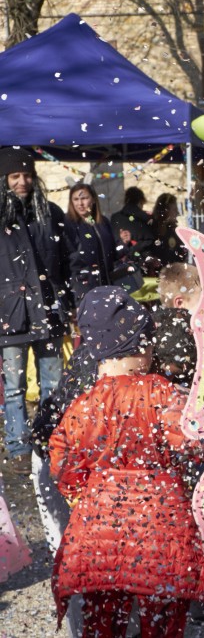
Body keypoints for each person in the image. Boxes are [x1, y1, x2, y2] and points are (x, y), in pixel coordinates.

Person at [48, 287, 204, 637]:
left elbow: (62, 464)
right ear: (136, 347)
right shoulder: (160, 392)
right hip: (161, 528)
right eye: (146, 344)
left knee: (102, 617)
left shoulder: (82, 405)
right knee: (162, 617)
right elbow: (191, 445)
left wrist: (86, 493)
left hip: (99, 529)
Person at [0, 147, 71, 473]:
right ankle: (18, 448)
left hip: (48, 310)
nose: (22, 181)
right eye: (15, 176)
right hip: (10, 313)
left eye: (26, 175)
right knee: (13, 388)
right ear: (4, 179)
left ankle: (48, 440)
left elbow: (69, 260)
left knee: (52, 383)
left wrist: (69, 300)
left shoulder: (50, 213)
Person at [64, 181, 117, 306]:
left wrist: (124, 245)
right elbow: (70, 261)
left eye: (84, 198)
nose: (80, 204)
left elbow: (112, 253)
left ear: (93, 200)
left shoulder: (102, 223)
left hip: (107, 285)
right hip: (84, 289)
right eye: (76, 199)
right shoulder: (68, 225)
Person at [111, 186, 157, 265]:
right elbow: (152, 242)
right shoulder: (147, 219)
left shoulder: (115, 218)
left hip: (120, 263)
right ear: (140, 201)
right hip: (142, 263)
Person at [150, 193, 187, 265]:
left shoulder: (174, 231)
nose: (177, 213)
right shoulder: (150, 230)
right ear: (166, 210)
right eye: (175, 209)